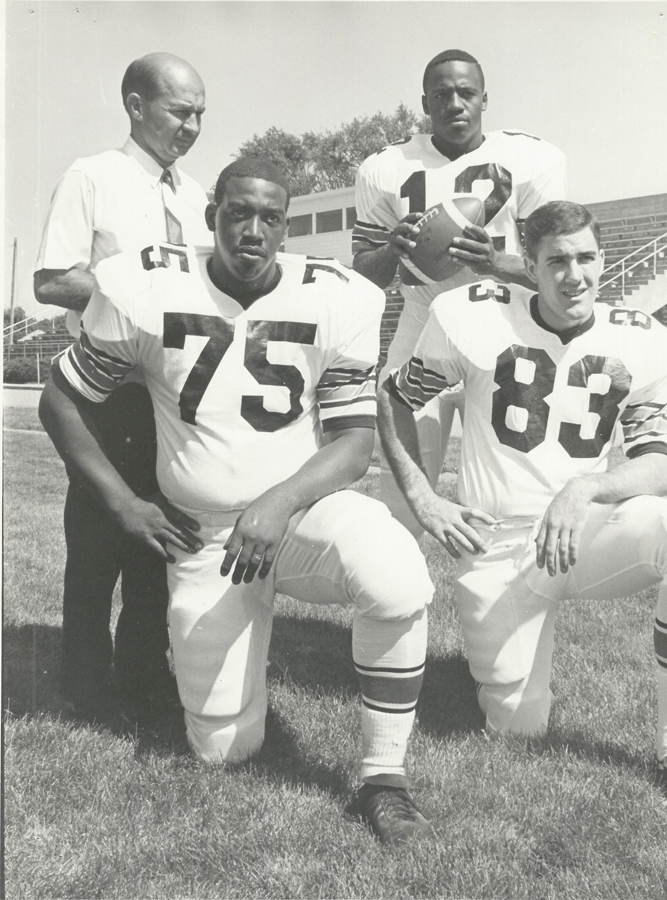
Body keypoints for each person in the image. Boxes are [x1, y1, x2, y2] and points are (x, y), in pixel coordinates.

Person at [39, 157, 436, 846]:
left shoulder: (338, 297)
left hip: (303, 515)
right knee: (223, 748)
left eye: (270, 217)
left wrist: (277, 505)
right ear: (210, 215)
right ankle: (241, 666)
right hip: (207, 538)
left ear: (287, 226)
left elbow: (350, 442)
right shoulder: (146, 287)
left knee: (397, 578)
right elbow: (61, 401)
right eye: (237, 213)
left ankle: (384, 779)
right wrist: (126, 504)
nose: (252, 230)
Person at [377, 201, 667, 813]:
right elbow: (395, 397)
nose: (574, 275)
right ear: (528, 265)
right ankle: (499, 669)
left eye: (586, 258)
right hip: (497, 543)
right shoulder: (467, 317)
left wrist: (584, 488)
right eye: (556, 260)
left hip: (582, 531)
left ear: (603, 259)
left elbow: (659, 461)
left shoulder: (645, 339)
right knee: (517, 727)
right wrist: (423, 497)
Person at [34, 53, 212, 726]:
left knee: (160, 545)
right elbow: (51, 280)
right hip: (109, 390)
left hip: (176, 396)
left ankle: (143, 673)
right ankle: (82, 684)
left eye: (200, 113)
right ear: (136, 106)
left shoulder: (196, 199)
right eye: (179, 111)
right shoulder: (94, 177)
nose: (192, 125)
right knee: (98, 540)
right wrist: (137, 293)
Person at [353, 49, 567, 537]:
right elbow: (365, 277)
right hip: (422, 317)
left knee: (511, 477)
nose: (455, 103)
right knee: (403, 477)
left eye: (466, 93)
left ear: (485, 99)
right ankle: (399, 590)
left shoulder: (532, 159)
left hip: (503, 323)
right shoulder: (385, 167)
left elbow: (555, 269)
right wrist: (393, 248)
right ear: (424, 102)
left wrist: (495, 262)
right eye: (442, 94)